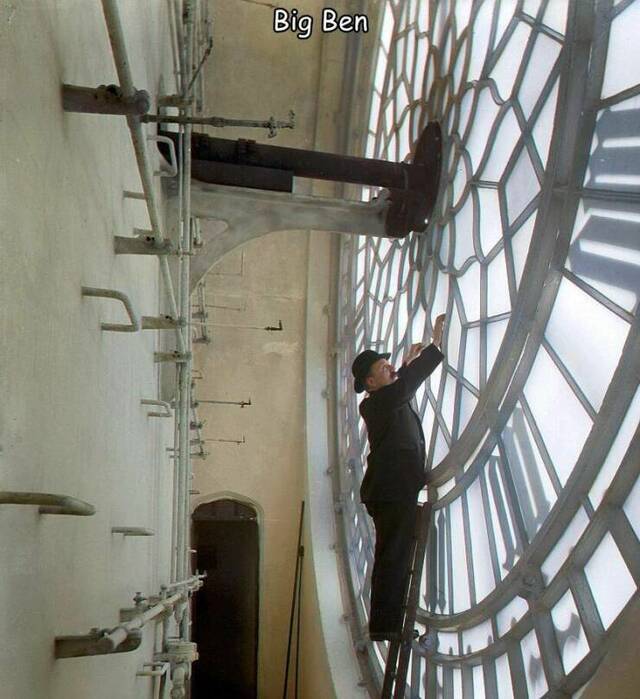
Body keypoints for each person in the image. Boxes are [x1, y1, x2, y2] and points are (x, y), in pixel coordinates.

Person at [351, 314, 445, 642]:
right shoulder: (374, 405)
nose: (389, 368)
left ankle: (387, 623)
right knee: (393, 556)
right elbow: (402, 388)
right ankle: (385, 625)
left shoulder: (383, 400)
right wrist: (434, 347)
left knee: (394, 554)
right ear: (370, 383)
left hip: (393, 489)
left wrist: (403, 366)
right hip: (391, 490)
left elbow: (399, 387)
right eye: (382, 368)